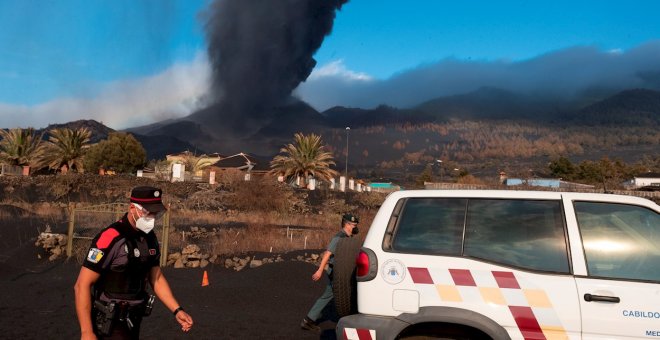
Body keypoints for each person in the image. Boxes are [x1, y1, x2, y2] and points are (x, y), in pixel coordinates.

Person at [74, 186, 193, 339]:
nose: (151, 217)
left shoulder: (150, 239)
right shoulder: (110, 237)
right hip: (110, 321)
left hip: (135, 318)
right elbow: (81, 285)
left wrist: (177, 310)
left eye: (155, 213)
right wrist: (86, 332)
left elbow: (155, 278)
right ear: (132, 208)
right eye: (147, 212)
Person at [301, 213, 360, 332]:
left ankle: (308, 320)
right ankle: (309, 320)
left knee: (329, 295)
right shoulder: (338, 238)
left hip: (342, 273)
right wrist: (319, 270)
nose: (355, 227)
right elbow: (327, 254)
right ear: (347, 224)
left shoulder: (348, 238)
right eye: (354, 225)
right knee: (339, 295)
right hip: (336, 273)